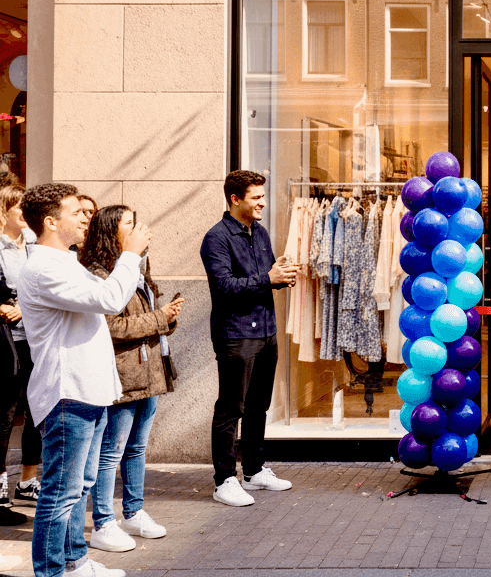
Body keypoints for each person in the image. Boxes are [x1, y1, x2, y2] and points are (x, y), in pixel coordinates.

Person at [19, 182, 150, 577]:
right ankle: (51, 572)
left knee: (78, 487)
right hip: (67, 395)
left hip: (88, 392)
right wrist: (129, 254)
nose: (85, 217)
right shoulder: (42, 268)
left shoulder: (64, 263)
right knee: (60, 494)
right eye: (76, 212)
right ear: (49, 221)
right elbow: (111, 300)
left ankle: (75, 562)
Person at [81, 206, 183, 552]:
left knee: (137, 447)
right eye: (129, 222)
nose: (139, 227)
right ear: (112, 231)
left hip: (149, 371)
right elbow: (110, 326)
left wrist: (168, 317)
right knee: (112, 451)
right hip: (124, 374)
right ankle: (103, 521)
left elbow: (146, 320)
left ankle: (134, 511)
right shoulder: (100, 272)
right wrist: (159, 318)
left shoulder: (138, 266)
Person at [200, 170, 297, 507]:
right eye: (256, 197)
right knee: (231, 408)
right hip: (236, 334)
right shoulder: (216, 238)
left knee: (259, 406)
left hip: (266, 331)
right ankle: (224, 480)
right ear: (235, 199)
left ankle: (254, 472)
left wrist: (281, 276)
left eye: (262, 196)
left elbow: (264, 278)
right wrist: (267, 278)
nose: (262, 203)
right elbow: (224, 288)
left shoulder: (261, 233)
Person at [0, 183, 40, 525]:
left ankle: (27, 482)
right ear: (5, 211)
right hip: (8, 343)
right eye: (19, 209)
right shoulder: (1, 249)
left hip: (36, 338)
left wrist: (27, 309)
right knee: (5, 416)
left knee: (37, 411)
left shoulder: (36, 246)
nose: (26, 215)